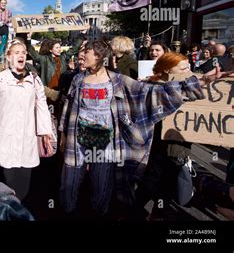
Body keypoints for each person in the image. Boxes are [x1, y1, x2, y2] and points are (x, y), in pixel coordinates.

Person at [59, 40, 220, 217]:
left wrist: (202, 80)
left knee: (101, 184)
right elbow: (68, 107)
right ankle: (69, 213)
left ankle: (99, 214)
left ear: (99, 56)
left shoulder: (118, 81)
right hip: (77, 141)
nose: (81, 55)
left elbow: (154, 92)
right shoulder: (78, 79)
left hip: (106, 144)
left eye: (86, 52)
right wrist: (63, 134)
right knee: (69, 183)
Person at [0, 41, 55, 201]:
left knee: (24, 178)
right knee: (6, 177)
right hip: (6, 138)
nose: (21, 55)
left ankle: (19, 206)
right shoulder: (0, 79)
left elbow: (41, 106)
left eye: (24, 52)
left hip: (27, 137)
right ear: (9, 57)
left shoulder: (34, 80)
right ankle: (7, 207)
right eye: (17, 52)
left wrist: (46, 131)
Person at [135, 52, 194, 220]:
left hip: (180, 144)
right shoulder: (153, 87)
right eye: (183, 67)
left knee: (169, 180)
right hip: (157, 144)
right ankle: (134, 209)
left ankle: (158, 212)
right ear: (169, 69)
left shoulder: (190, 84)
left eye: (189, 66)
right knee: (151, 180)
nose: (188, 70)